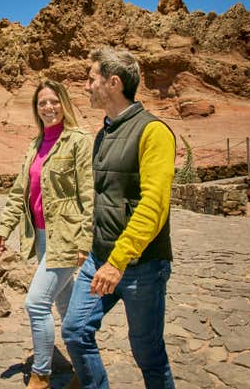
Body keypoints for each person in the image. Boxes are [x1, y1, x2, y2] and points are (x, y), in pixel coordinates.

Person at [61, 47, 176, 389]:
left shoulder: (154, 132)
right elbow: (101, 199)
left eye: (90, 78)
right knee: (75, 330)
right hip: (100, 257)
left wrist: (119, 260)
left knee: (148, 353)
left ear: (113, 83)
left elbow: (154, 205)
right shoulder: (104, 133)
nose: (85, 86)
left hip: (141, 264)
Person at [0, 79, 94, 389]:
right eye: (42, 103)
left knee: (36, 304)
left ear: (64, 103)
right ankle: (87, 372)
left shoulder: (78, 140)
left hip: (65, 235)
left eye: (53, 101)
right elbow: (18, 191)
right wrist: (4, 227)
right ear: (36, 109)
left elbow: (89, 194)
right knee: (66, 307)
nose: (48, 107)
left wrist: (85, 241)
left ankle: (41, 375)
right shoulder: (35, 145)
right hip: (40, 235)